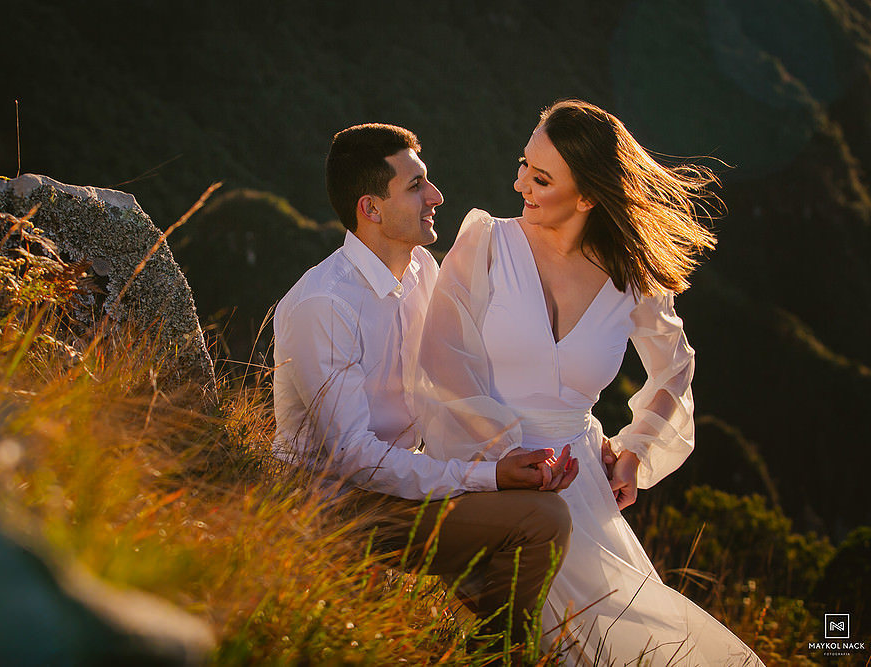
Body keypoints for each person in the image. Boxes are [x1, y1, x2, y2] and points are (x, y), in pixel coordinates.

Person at [415, 100, 764, 664]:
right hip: (482, 466)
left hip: (580, 484)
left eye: (542, 177)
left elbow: (674, 366)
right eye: (524, 164)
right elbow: (442, 362)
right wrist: (506, 457)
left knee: (631, 641)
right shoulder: (485, 242)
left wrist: (634, 450)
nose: (520, 183)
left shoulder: (632, 276)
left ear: (589, 196)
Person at [272, 123, 577, 646]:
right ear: (371, 209)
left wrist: (511, 457)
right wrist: (488, 478)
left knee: (541, 512)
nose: (435, 197)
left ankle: (477, 645)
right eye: (415, 187)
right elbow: (355, 459)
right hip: (337, 507)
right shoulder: (327, 303)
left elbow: (451, 384)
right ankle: (493, 654)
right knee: (542, 522)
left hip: (402, 485)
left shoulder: (421, 270)